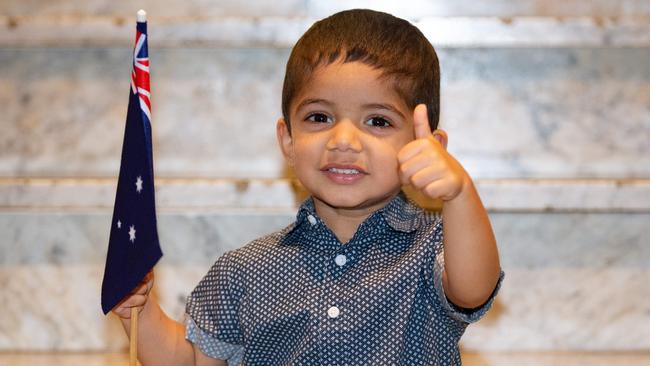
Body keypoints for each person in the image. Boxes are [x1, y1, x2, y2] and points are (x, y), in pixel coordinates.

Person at [113, 8, 503, 365]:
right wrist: (139, 310)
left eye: (378, 122)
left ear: (427, 147)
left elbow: (472, 289)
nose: (344, 140)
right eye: (320, 117)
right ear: (288, 141)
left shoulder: (435, 249)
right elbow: (190, 361)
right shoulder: (244, 271)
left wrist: (459, 192)